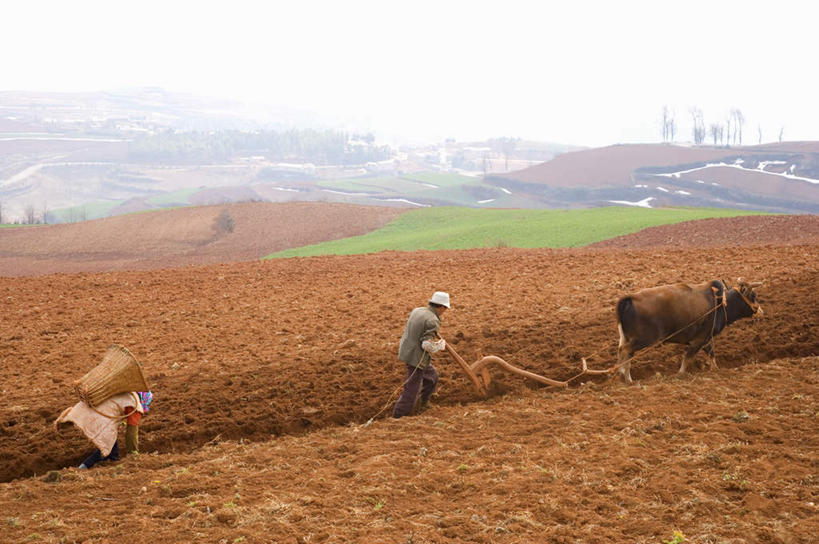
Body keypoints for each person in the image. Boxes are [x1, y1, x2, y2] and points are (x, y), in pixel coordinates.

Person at [55, 390, 152, 469]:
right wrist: (133, 454)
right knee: (106, 447)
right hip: (100, 418)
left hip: (91, 411)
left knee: (113, 452)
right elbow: (131, 433)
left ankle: (113, 461)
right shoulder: (135, 406)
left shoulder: (126, 392)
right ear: (144, 400)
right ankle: (82, 468)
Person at [392, 291, 450, 418]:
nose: (444, 311)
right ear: (441, 306)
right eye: (445, 309)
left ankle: (423, 402)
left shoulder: (418, 310)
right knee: (412, 389)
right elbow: (425, 345)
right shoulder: (432, 320)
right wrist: (439, 346)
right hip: (416, 357)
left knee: (432, 377)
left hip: (406, 349)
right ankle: (399, 416)